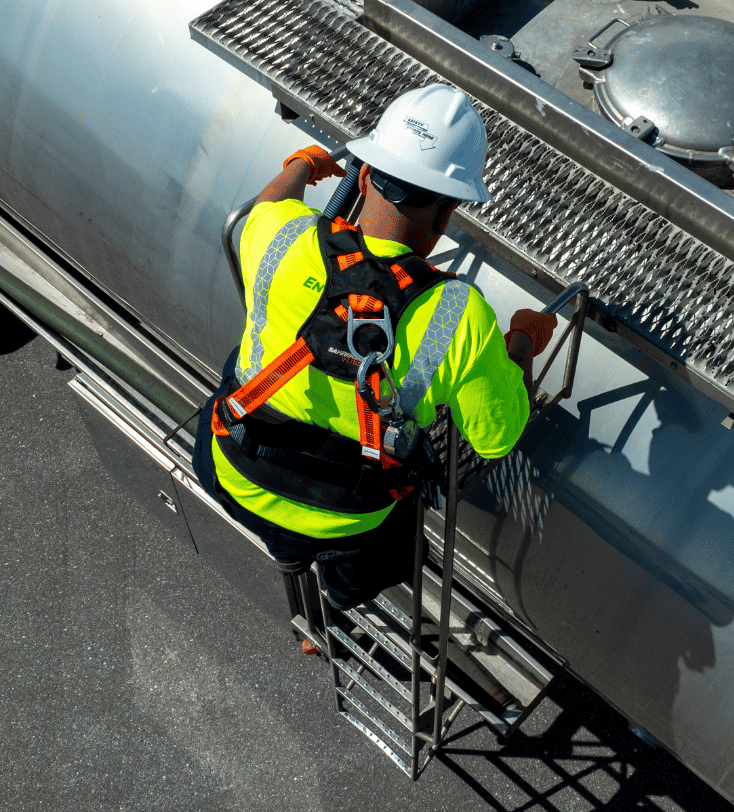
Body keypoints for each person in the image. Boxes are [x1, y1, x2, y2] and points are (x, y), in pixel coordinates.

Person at [193, 83, 558, 618]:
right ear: (445, 216)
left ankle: (290, 565)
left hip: (234, 466)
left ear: (363, 176)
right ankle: (340, 600)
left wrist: (301, 165)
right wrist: (522, 338)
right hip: (350, 514)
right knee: (384, 550)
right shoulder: (459, 316)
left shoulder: (281, 236)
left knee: (280, 517)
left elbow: (265, 208)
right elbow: (498, 437)